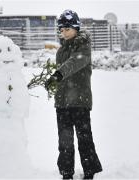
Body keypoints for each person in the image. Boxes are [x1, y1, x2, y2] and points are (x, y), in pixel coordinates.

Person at [45, 10, 102, 180]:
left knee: (84, 139)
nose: (64, 32)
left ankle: (90, 171)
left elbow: (76, 61)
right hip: (62, 102)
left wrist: (58, 74)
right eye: (62, 29)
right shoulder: (61, 50)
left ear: (76, 27)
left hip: (79, 100)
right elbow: (62, 71)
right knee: (64, 141)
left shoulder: (83, 45)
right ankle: (66, 172)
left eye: (67, 28)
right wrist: (54, 83)